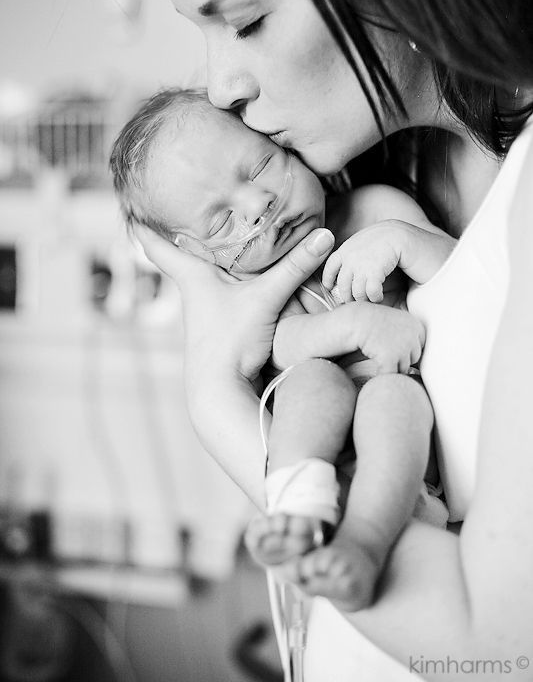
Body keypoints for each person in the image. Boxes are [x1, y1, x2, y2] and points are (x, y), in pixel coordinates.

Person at [115, 0, 533, 679]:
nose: (220, 87)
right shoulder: (394, 169)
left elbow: (499, 646)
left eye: (244, 20)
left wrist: (217, 405)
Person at [110, 87, 451, 609]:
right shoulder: (254, 294)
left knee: (392, 399)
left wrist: (402, 239)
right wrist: (357, 324)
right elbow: (287, 345)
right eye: (221, 221)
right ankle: (298, 510)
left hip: (405, 452)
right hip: (325, 458)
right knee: (312, 382)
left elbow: (463, 276)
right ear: (199, 255)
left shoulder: (374, 209)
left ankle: (363, 543)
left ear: (286, 144)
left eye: (261, 166)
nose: (257, 205)